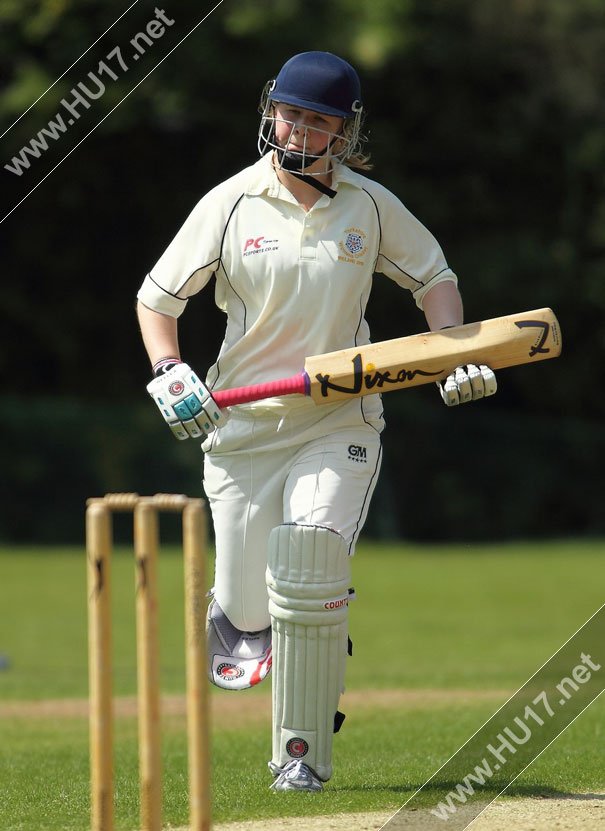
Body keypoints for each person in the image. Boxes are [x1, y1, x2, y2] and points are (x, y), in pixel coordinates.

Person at [136, 51, 497, 792]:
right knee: (248, 620)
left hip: (340, 420)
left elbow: (435, 279)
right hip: (240, 432)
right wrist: (170, 369)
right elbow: (157, 299)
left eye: (317, 118)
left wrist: (450, 351)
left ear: (344, 133)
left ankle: (298, 758)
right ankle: (268, 622)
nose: (297, 127)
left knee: (311, 557)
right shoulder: (230, 202)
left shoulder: (367, 206)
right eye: (289, 112)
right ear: (270, 112)